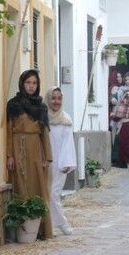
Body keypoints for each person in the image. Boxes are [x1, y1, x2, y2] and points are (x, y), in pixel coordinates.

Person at [6, 69, 53, 240]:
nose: (31, 86)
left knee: (38, 186)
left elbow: (44, 133)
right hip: (18, 147)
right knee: (21, 185)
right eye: (28, 83)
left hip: (35, 149)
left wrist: (47, 157)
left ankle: (40, 230)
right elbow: (8, 131)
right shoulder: (13, 104)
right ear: (22, 84)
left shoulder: (41, 107)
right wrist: (9, 155)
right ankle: (22, 231)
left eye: (34, 83)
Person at [47, 87, 76, 236]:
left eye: (59, 98)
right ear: (48, 99)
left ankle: (63, 223)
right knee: (46, 194)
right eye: (53, 98)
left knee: (53, 193)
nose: (56, 101)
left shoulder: (65, 119)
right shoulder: (43, 118)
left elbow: (68, 143)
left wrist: (66, 163)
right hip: (46, 163)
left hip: (59, 163)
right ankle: (49, 226)